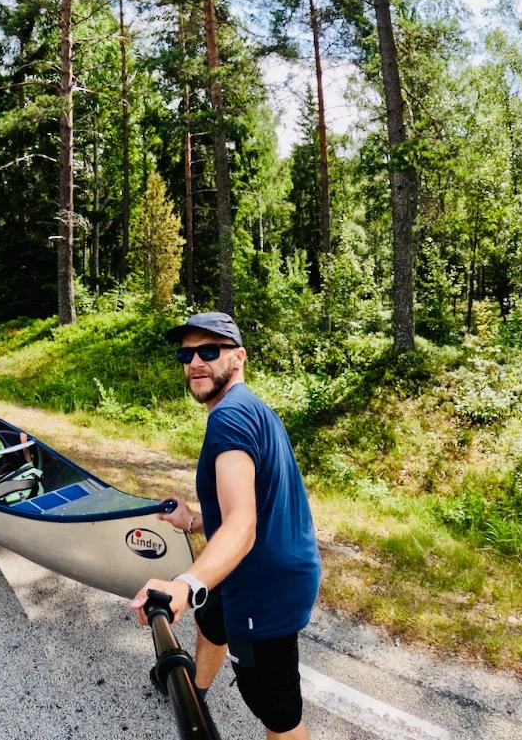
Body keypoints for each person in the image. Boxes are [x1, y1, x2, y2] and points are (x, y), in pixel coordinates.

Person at [130, 312, 320, 740]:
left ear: (238, 358)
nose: (195, 362)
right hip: (251, 567)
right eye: (186, 353)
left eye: (209, 351)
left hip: (263, 587)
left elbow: (242, 525)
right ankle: (193, 688)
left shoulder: (228, 420)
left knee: (277, 711)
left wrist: (185, 583)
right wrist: (193, 520)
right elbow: (253, 505)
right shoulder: (249, 408)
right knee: (211, 620)